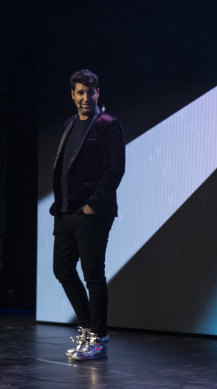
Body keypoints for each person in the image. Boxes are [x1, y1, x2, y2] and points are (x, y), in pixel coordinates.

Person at [50, 69, 125, 361]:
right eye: (79, 92)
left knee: (93, 274)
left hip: (92, 213)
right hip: (67, 212)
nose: (85, 97)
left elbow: (115, 169)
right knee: (62, 269)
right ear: (72, 94)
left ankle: (99, 338)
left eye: (89, 92)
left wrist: (93, 204)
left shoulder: (107, 124)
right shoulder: (70, 123)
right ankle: (87, 328)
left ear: (97, 93)